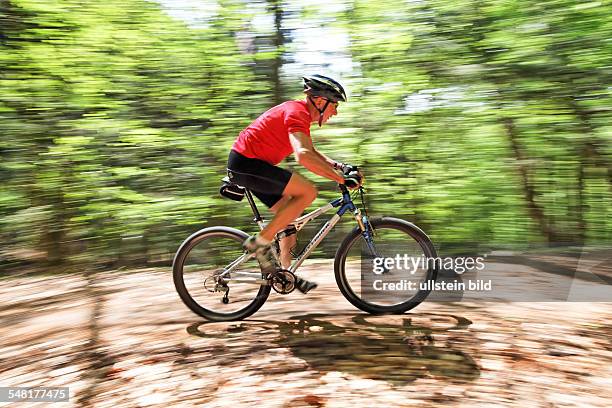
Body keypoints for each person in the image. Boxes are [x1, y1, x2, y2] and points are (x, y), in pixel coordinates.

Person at [227, 74, 362, 293]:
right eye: (334, 105)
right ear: (320, 101)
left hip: (254, 165)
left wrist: (339, 167)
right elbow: (303, 155)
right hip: (247, 164)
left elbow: (311, 150)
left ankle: (284, 274)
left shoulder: (300, 115)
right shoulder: (296, 111)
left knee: (288, 221)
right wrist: (340, 179)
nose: (335, 112)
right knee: (308, 192)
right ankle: (259, 244)